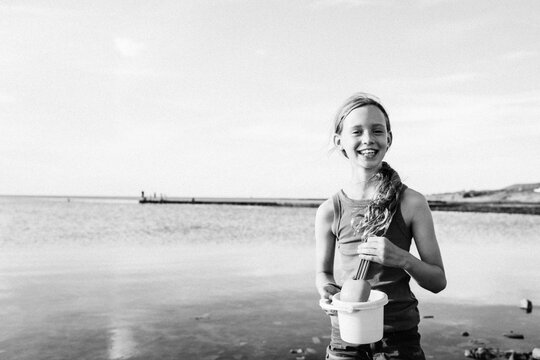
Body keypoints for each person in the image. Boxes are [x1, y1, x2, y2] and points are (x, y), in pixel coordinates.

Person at [315, 93, 446, 360]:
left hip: (399, 339)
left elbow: (437, 282)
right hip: (345, 336)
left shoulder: (412, 203)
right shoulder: (330, 210)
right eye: (357, 131)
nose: (368, 139)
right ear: (340, 141)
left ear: (389, 138)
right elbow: (323, 273)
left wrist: (403, 259)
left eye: (377, 130)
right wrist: (328, 290)